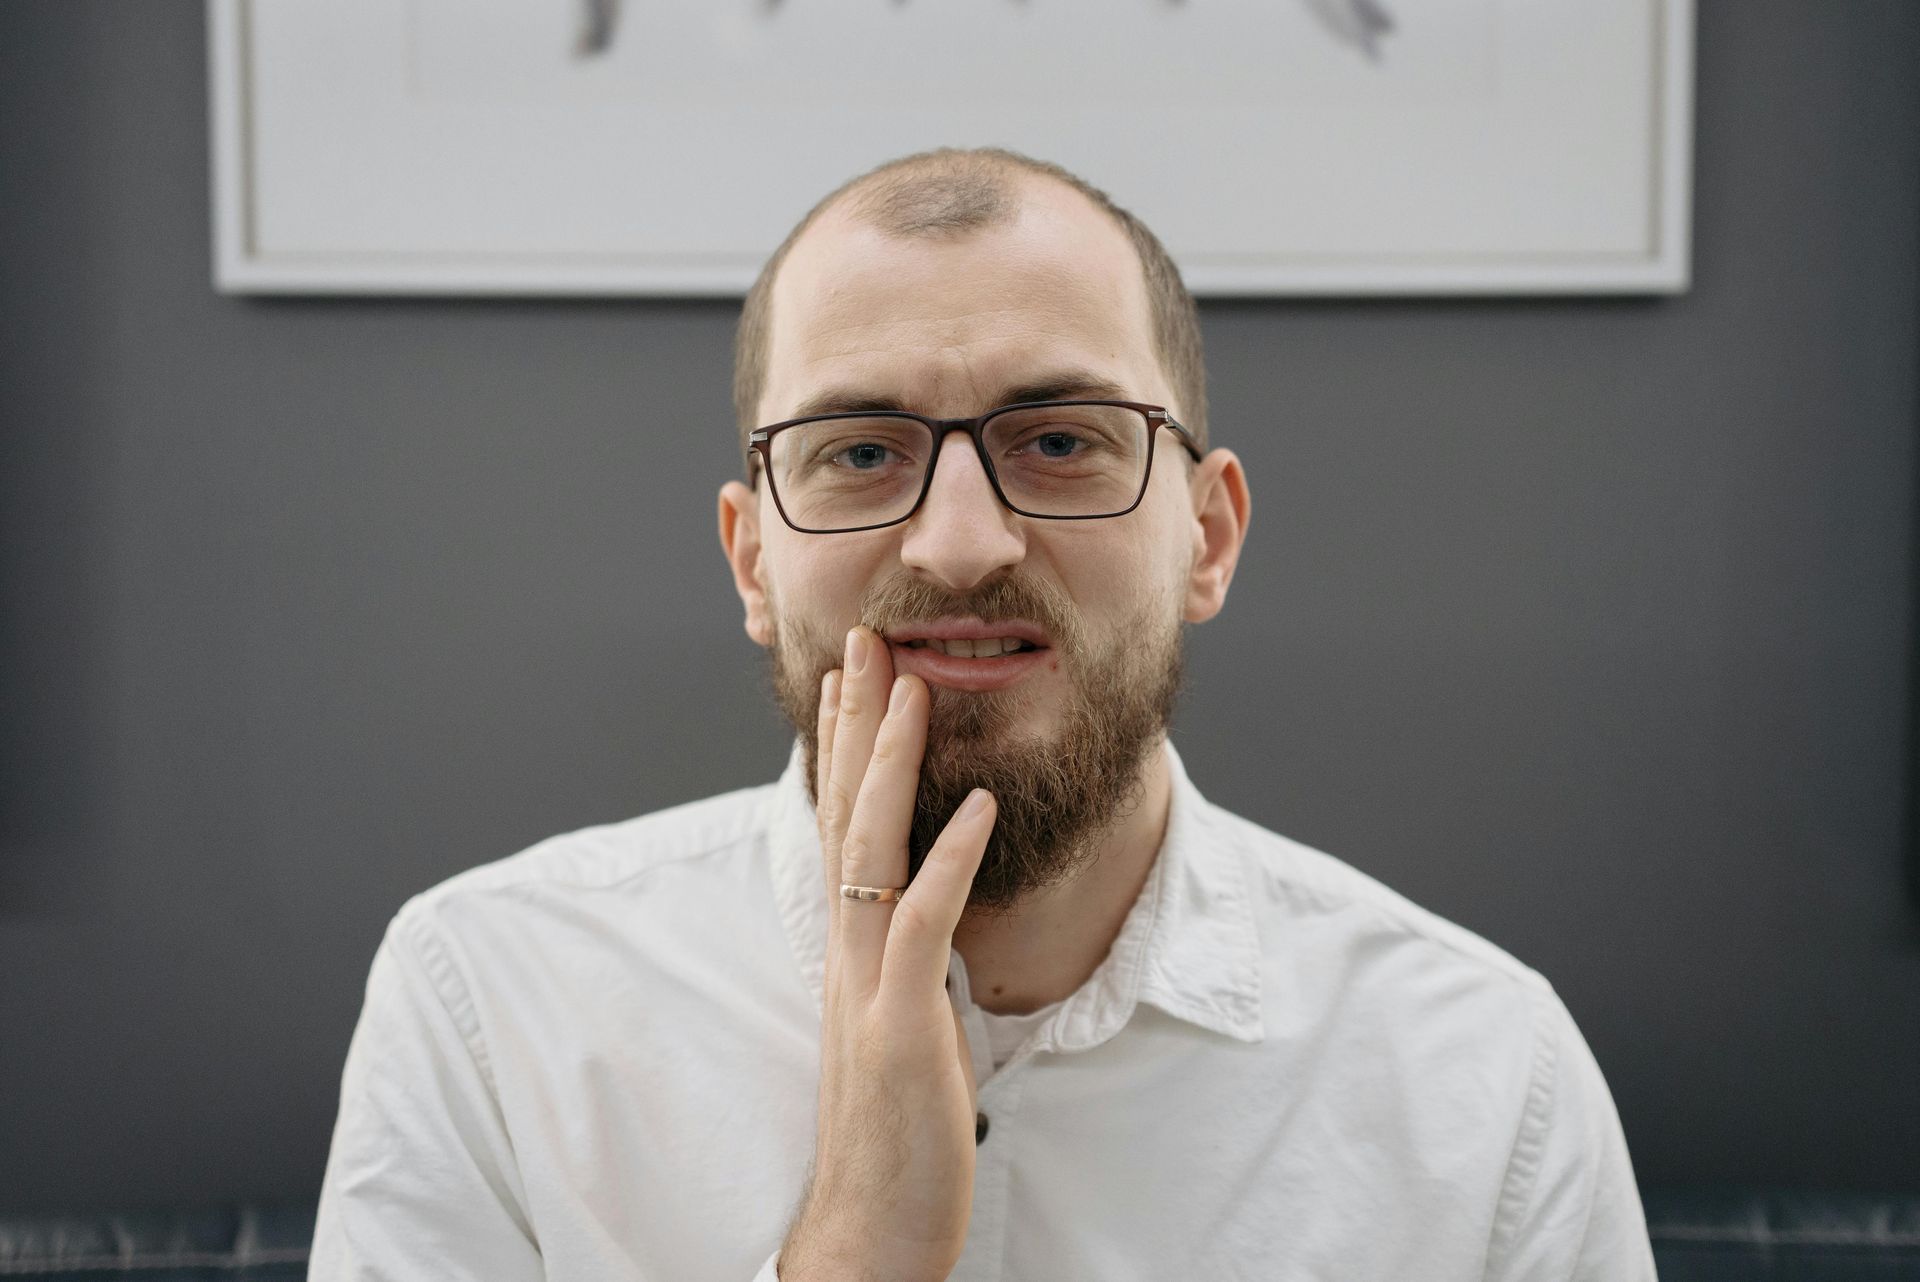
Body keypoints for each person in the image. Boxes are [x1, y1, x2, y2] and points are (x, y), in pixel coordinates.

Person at [310, 147, 1656, 1281]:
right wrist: (853, 1250)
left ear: (1207, 536)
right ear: (753, 562)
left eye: (1060, 440)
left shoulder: (1488, 1082)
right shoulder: (488, 1007)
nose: (959, 544)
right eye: (859, 452)